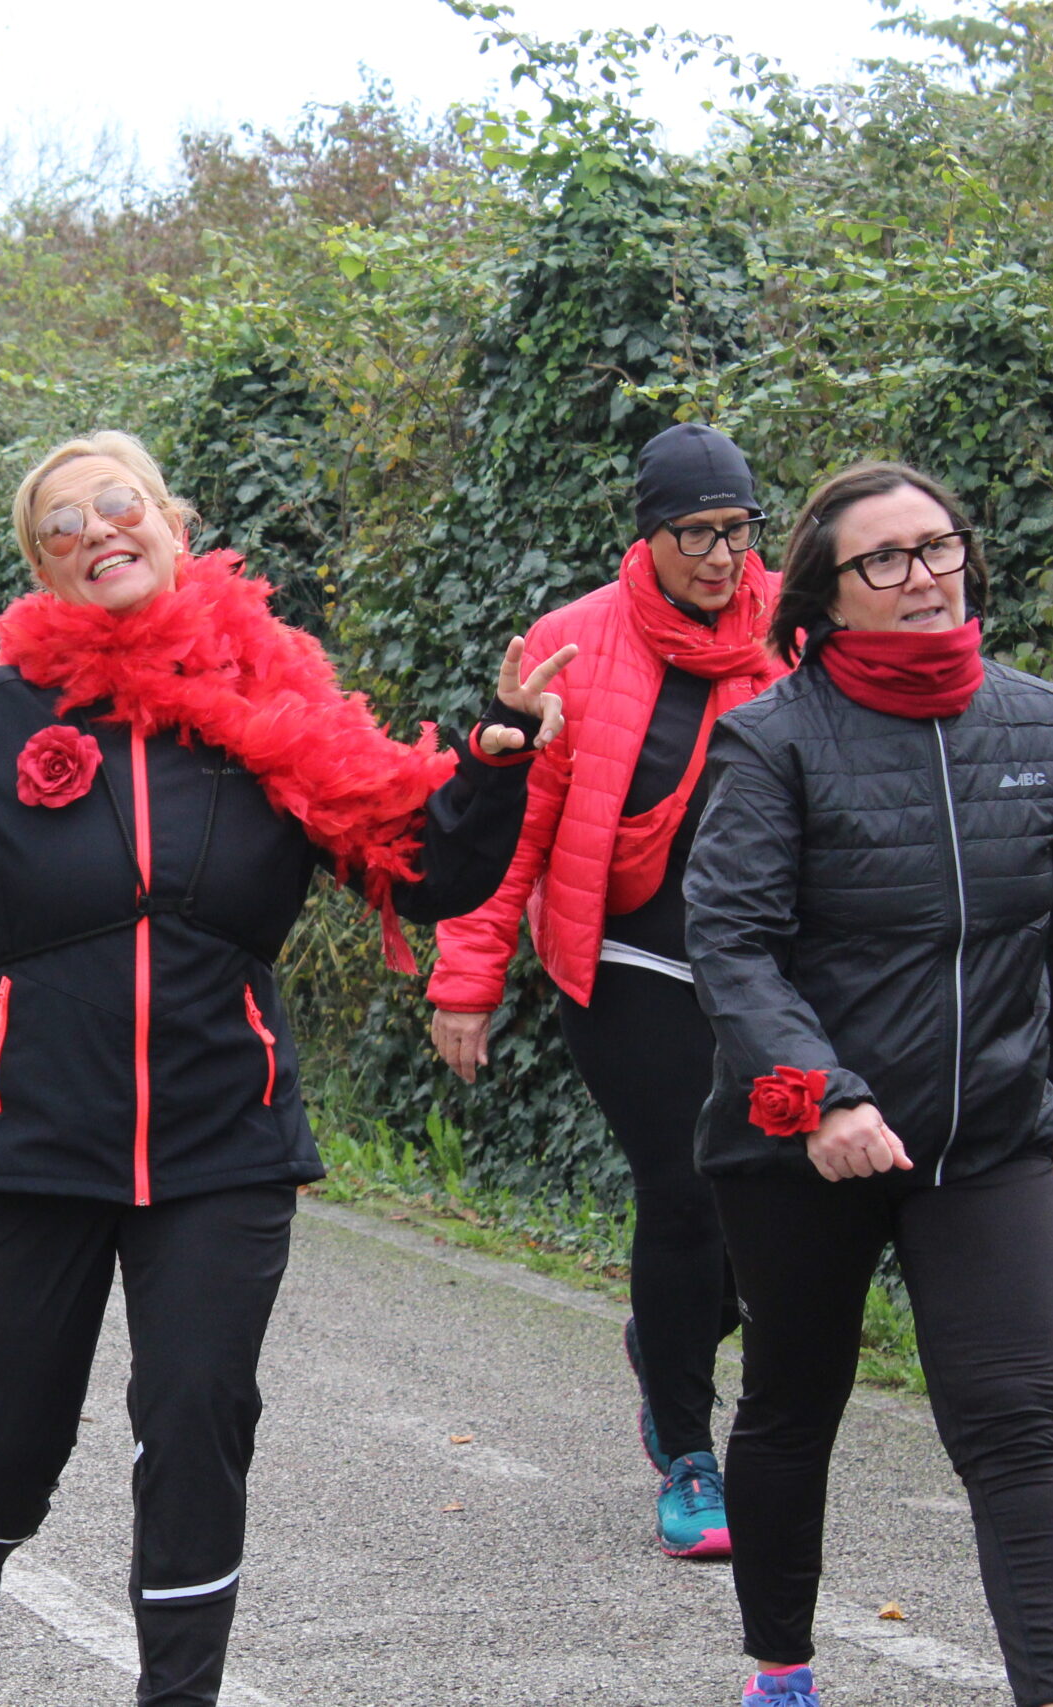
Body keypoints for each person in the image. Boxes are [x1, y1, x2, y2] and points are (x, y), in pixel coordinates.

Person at [0, 430, 569, 1707]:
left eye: (118, 505)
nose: (96, 531)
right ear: (41, 573)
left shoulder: (275, 704)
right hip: (22, 1132)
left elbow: (425, 871)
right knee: (8, 1447)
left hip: (222, 1134)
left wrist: (494, 754)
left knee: (200, 1418)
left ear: (173, 524)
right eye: (62, 526)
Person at [685, 462, 1053, 1707]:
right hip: (803, 1143)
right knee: (791, 1402)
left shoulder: (1046, 726)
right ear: (826, 592)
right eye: (883, 558)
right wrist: (824, 1093)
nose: (922, 575)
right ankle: (781, 1671)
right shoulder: (772, 738)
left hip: (987, 1142)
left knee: (1015, 1426)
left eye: (938, 546)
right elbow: (732, 942)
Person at [425, 422, 785, 1560]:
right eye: (696, 534)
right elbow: (515, 822)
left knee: (763, 1206)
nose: (721, 557)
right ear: (648, 533)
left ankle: (668, 1334)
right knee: (684, 1189)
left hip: (768, 969)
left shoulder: (799, 629)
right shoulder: (573, 644)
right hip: (627, 958)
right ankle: (688, 1453)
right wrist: (468, 978)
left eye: (738, 531)